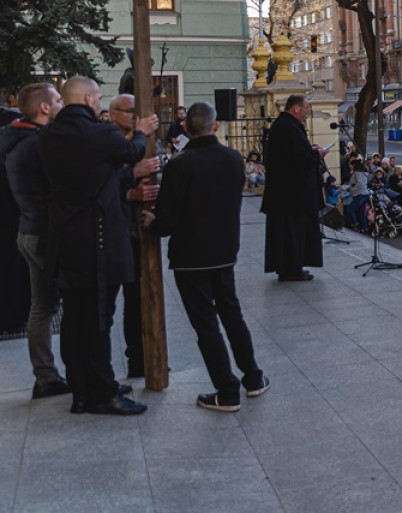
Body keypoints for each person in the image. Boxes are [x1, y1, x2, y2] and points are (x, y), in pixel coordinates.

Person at [39, 77, 158, 415]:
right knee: (99, 317)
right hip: (99, 238)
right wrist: (143, 130)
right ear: (90, 99)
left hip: (65, 239)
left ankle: (81, 388)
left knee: (75, 318)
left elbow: (93, 178)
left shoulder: (48, 136)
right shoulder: (101, 134)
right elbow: (132, 151)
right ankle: (102, 391)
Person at [143, 102, 269, 412]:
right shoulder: (232, 159)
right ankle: (252, 378)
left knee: (206, 324)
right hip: (225, 251)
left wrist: (153, 223)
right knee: (232, 314)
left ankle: (226, 391)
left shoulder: (179, 166)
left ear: (185, 128)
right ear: (215, 126)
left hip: (189, 256)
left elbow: (167, 220)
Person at [0, 83, 70, 399]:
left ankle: (46, 377)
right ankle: (69, 374)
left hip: (28, 232)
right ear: (44, 107)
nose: (61, 103)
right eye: (57, 99)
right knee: (66, 304)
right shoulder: (38, 144)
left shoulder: (16, 137)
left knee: (42, 307)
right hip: (45, 235)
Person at [107, 94, 162, 379]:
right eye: (129, 112)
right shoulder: (104, 141)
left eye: (136, 113)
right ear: (112, 114)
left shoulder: (146, 141)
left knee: (138, 301)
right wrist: (130, 188)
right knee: (105, 306)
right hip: (109, 234)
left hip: (137, 231)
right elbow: (97, 185)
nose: (134, 117)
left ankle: (140, 361)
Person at [261, 95, 331, 281]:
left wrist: (311, 152)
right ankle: (291, 269)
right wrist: (318, 154)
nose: (307, 112)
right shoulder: (287, 127)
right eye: (306, 108)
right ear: (296, 108)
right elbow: (297, 157)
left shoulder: (285, 125)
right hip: (291, 194)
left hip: (288, 193)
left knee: (290, 232)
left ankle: (290, 267)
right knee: (292, 233)